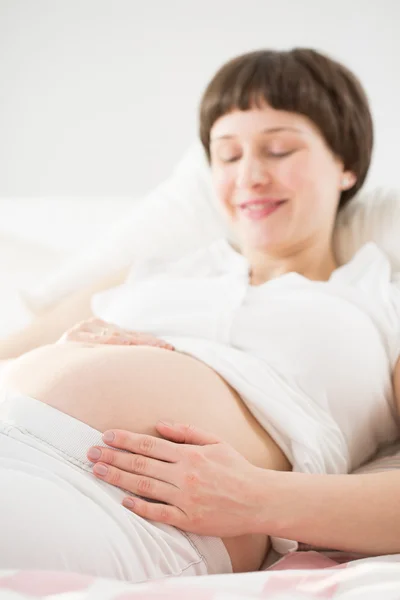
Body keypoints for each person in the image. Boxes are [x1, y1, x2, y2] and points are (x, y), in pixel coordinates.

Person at [0, 47, 399, 582]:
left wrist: (259, 499)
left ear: (346, 164)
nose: (249, 176)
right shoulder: (149, 273)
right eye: (228, 156)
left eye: (278, 149)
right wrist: (66, 351)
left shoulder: (380, 303)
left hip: (126, 505)